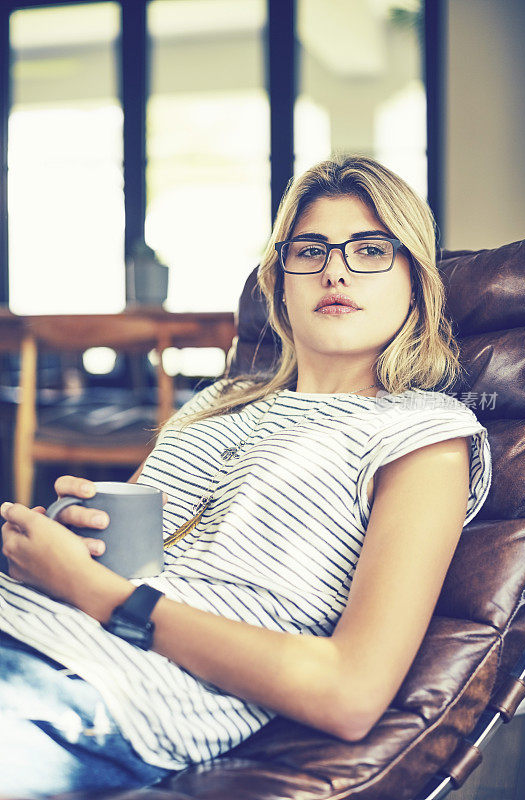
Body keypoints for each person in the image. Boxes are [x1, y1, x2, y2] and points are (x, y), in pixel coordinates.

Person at [0, 154, 492, 798]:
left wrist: (98, 593)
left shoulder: (424, 436)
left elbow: (349, 692)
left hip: (93, 693)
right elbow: (135, 556)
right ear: (279, 279)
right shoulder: (217, 401)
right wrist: (58, 542)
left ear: (416, 282)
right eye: (309, 249)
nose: (335, 269)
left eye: (371, 249)